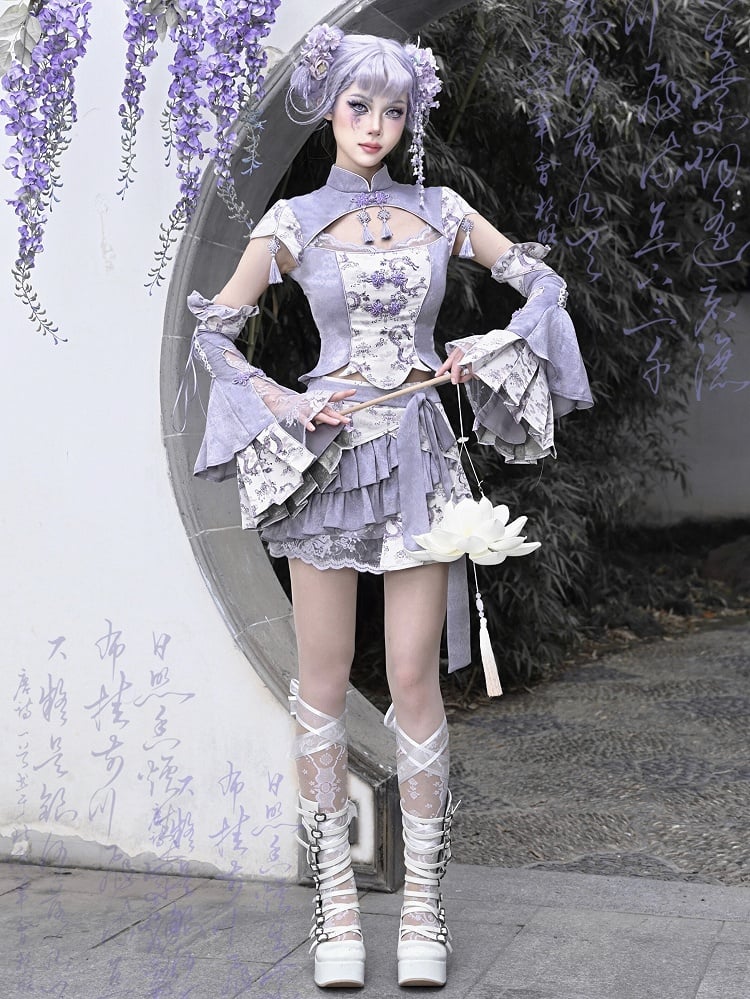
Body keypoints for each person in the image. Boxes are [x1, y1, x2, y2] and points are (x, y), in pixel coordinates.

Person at [186, 24, 593, 990]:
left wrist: (489, 346)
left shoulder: (442, 209)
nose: (375, 125)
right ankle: (334, 897)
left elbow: (542, 282)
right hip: (331, 464)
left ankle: (420, 904)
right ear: (330, 108)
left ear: (411, 118)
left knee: (413, 675)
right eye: (358, 105)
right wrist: (286, 402)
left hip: (420, 455)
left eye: (394, 110)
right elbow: (214, 337)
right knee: (323, 680)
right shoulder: (291, 223)